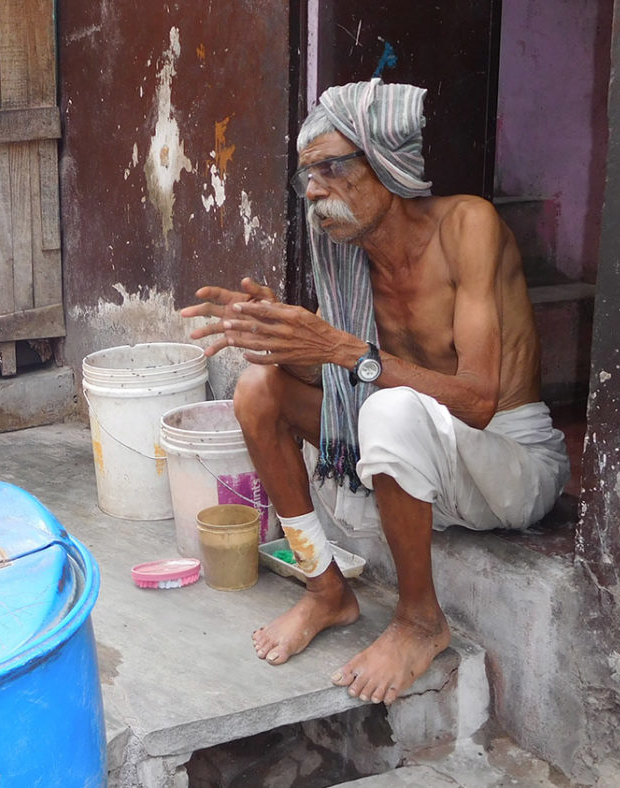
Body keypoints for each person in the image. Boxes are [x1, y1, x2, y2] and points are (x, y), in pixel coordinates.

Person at [182, 80, 569, 705]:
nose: (312, 190)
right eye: (307, 174)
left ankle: (421, 621)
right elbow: (347, 379)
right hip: (418, 463)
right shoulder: (347, 255)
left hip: (510, 462)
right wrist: (289, 344)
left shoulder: (468, 224)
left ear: (387, 162)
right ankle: (326, 591)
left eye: (331, 168)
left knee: (389, 407)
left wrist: (336, 348)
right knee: (258, 389)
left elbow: (475, 403)